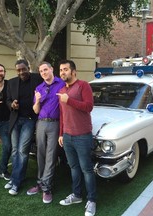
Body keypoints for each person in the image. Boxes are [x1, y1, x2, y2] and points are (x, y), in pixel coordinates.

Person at [57, 60, 97, 216]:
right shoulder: (61, 90)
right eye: (60, 70)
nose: (62, 72)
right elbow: (62, 114)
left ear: (73, 71)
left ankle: (92, 200)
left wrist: (70, 100)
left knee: (87, 169)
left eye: (65, 69)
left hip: (82, 136)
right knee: (73, 168)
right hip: (67, 136)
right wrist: (61, 133)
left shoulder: (83, 85)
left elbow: (89, 106)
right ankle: (77, 195)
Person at [26, 62, 65, 203]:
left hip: (55, 124)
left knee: (51, 155)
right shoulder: (39, 88)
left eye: (45, 69)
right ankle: (40, 182)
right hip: (41, 123)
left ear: (51, 69)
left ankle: (47, 187)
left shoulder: (61, 84)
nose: (43, 72)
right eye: (41, 71)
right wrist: (37, 100)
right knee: (40, 154)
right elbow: (36, 110)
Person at [4, 59, 43, 195]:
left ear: (28, 68)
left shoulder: (37, 78)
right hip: (16, 119)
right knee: (15, 151)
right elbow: (7, 100)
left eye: (23, 69)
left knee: (22, 150)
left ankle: (16, 182)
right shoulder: (12, 82)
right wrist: (12, 105)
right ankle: (15, 176)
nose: (21, 72)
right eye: (18, 70)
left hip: (29, 120)